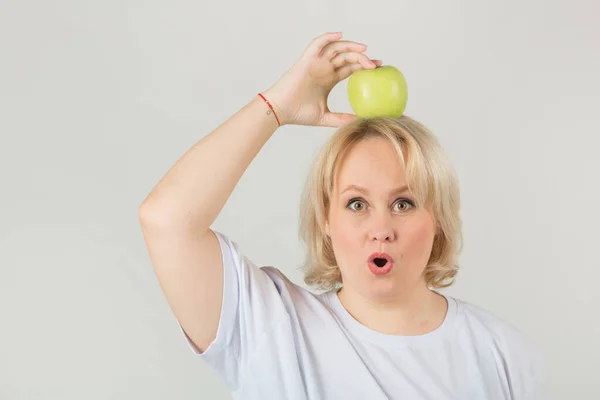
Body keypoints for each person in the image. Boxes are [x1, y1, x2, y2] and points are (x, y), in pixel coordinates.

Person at [138, 32, 548, 399]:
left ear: (437, 217)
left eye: (404, 203)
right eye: (356, 204)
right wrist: (277, 107)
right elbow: (166, 220)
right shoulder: (270, 329)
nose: (381, 230)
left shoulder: (503, 356)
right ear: (325, 220)